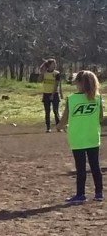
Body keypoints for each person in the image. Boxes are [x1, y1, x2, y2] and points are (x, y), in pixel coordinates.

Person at [56, 70, 103, 203]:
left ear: (80, 83)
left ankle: (80, 194)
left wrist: (59, 127)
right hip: (93, 136)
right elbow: (100, 117)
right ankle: (99, 193)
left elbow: (64, 120)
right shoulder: (98, 98)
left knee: (81, 167)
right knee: (95, 166)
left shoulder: (72, 99)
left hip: (77, 138)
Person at [39, 58, 63, 133]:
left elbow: (56, 85)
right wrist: (42, 73)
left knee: (56, 111)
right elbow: (39, 80)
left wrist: (52, 95)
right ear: (49, 65)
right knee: (47, 111)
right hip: (46, 93)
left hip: (54, 94)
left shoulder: (56, 73)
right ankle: (48, 127)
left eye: (55, 64)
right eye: (53, 64)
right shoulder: (45, 73)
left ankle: (58, 127)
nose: (55, 65)